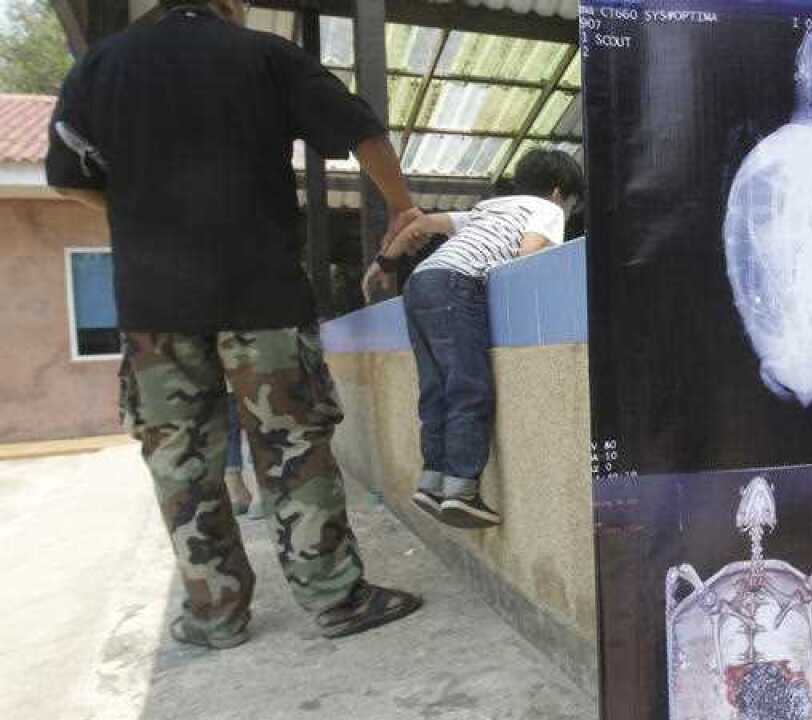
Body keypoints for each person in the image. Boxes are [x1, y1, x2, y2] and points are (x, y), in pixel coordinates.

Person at [46, 0, 424, 649]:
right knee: (293, 449)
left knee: (180, 460)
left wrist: (137, 213)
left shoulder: (99, 68)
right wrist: (402, 207)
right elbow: (363, 131)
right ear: (231, 4)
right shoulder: (265, 55)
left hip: (154, 310)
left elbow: (64, 178)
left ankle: (215, 614)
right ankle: (336, 598)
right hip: (262, 297)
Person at [363, 150, 583, 528]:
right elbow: (527, 253)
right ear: (559, 192)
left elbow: (419, 226)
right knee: (468, 387)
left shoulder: (488, 209)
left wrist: (382, 264)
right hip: (454, 285)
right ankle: (462, 490)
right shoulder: (547, 210)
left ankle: (432, 481)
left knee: (435, 387)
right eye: (573, 201)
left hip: (420, 283)